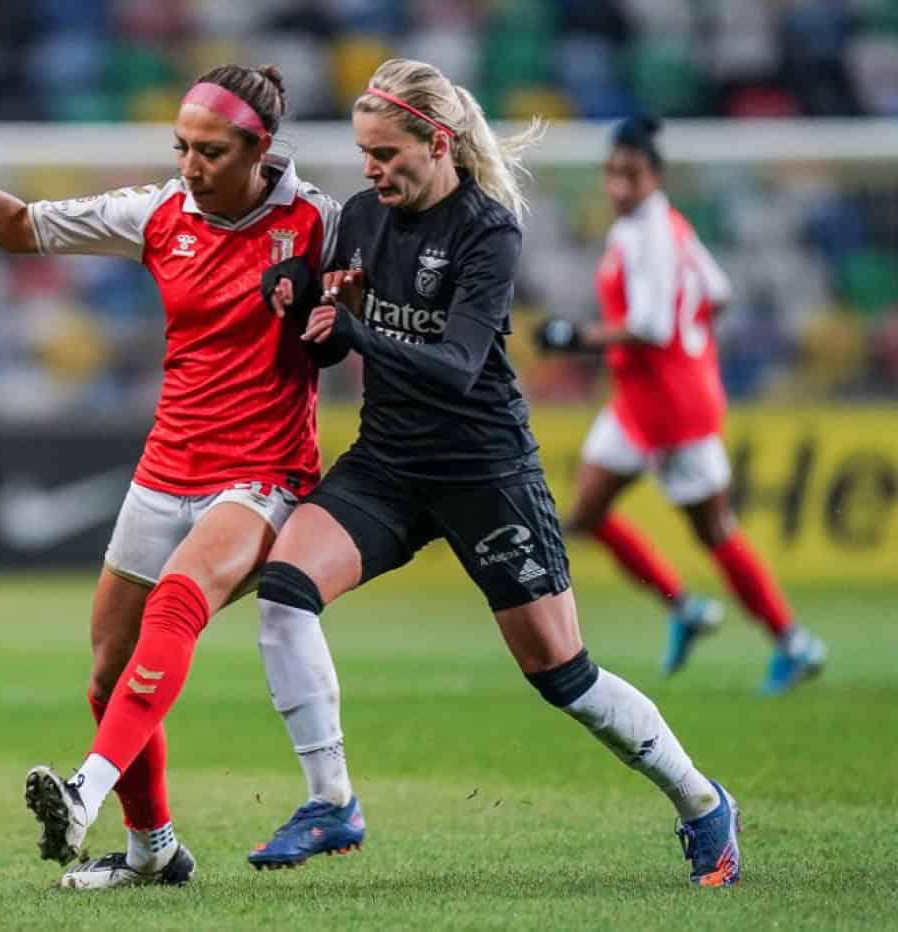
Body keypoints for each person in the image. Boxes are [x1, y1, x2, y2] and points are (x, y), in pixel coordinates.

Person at [245, 59, 742, 888]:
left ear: (437, 143)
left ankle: (701, 802)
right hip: (390, 465)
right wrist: (297, 292)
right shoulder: (364, 217)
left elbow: (457, 365)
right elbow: (327, 330)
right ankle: (332, 801)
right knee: (284, 593)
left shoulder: (488, 228)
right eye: (364, 154)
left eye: (386, 152)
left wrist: (360, 335)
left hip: (486, 473)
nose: (371, 170)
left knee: (565, 677)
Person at [0, 63, 340, 889]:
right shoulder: (157, 213)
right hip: (165, 469)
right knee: (107, 673)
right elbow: (19, 228)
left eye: (211, 151)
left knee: (178, 605)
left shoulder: (322, 222)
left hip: (261, 474)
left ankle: (85, 791)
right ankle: (152, 851)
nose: (191, 165)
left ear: (261, 151)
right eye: (181, 146)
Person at [535, 115, 826, 694]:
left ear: (655, 176)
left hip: (672, 409)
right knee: (585, 515)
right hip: (640, 400)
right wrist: (692, 350)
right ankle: (686, 607)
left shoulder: (651, 235)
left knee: (714, 530)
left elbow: (649, 325)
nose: (618, 187)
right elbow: (717, 293)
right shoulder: (659, 225)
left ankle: (793, 640)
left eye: (631, 176)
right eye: (612, 174)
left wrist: (578, 338)